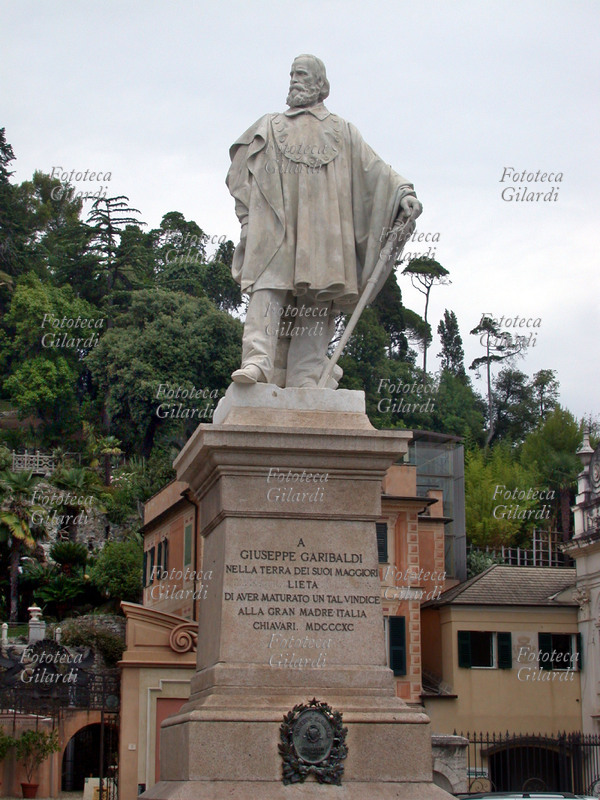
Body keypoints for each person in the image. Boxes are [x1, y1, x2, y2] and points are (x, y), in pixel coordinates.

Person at [226, 54, 422, 388]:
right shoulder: (270, 125)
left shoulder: (342, 130)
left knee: (318, 294)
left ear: (320, 84)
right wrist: (248, 220)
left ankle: (306, 372)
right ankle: (258, 361)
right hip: (277, 224)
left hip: (324, 229)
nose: (293, 80)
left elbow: (375, 170)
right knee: (267, 285)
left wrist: (402, 192)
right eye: (291, 74)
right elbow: (241, 174)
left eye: (301, 74)